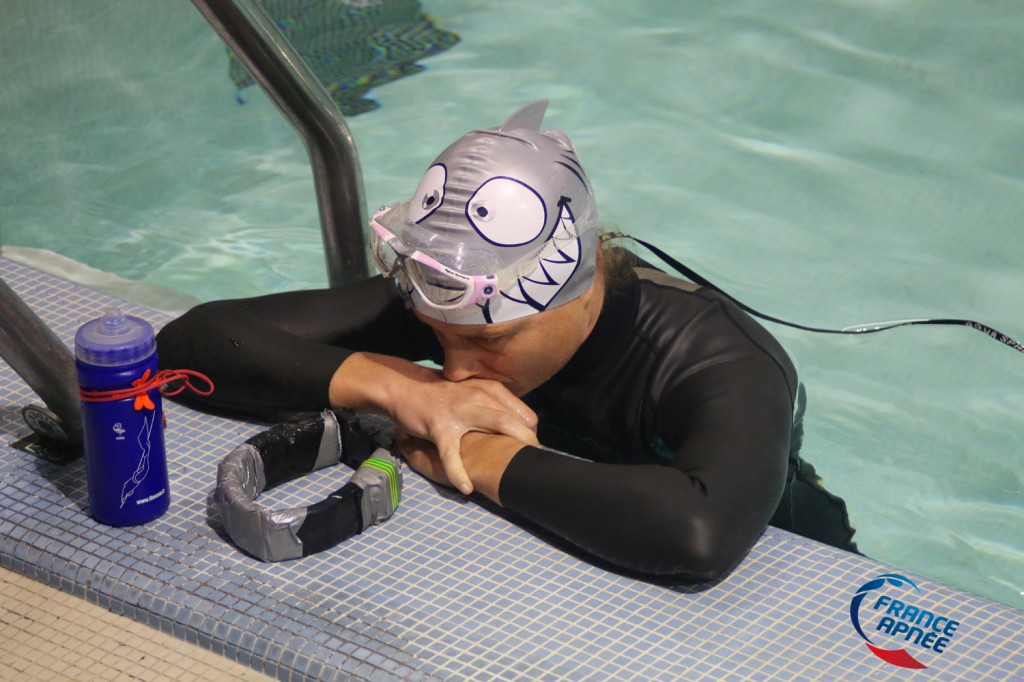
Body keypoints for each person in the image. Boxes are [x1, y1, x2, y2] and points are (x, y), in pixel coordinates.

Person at [157, 100, 856, 581]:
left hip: (791, 550)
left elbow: (698, 535)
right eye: (438, 337)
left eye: (494, 343)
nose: (460, 369)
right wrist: (405, 389)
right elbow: (196, 342)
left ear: (581, 285)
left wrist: (480, 454)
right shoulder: (461, 310)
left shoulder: (723, 360)